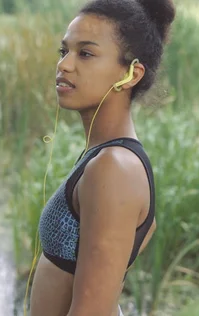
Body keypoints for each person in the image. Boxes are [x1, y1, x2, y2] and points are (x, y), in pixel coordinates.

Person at [28, 0, 176, 315]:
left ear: (131, 74)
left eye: (86, 53)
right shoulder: (103, 157)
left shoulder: (114, 169)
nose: (64, 65)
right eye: (63, 51)